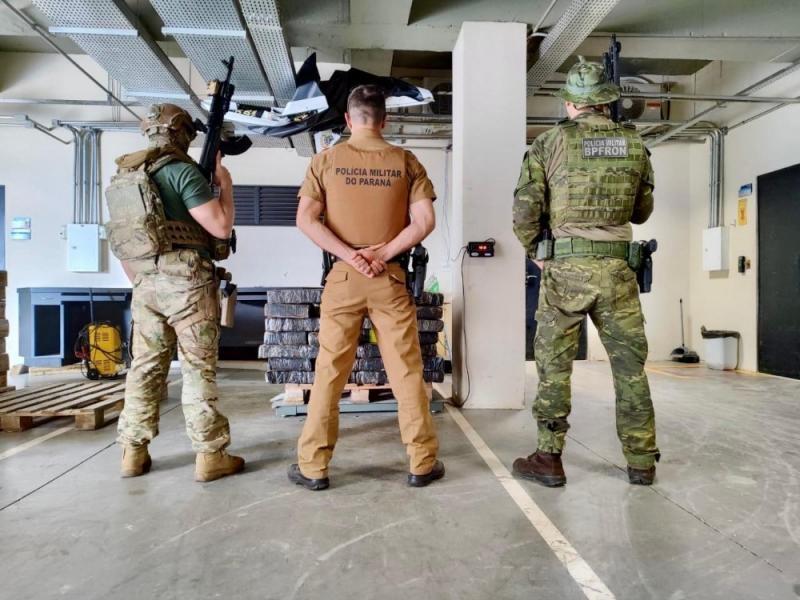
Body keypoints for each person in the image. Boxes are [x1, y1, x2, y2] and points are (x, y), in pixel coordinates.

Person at [512, 58, 660, 487]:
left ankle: (549, 458)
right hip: (618, 271)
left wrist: (536, 253)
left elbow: (525, 211)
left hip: (565, 272)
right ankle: (641, 461)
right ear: (607, 102)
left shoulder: (548, 143)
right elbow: (642, 211)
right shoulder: (635, 145)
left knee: (554, 366)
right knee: (629, 369)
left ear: (571, 103)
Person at [289, 84, 443, 491]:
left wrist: (350, 255)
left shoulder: (325, 161)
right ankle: (421, 463)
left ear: (348, 119)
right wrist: (382, 253)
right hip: (388, 277)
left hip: (342, 278)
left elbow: (306, 220)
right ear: (384, 120)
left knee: (330, 373)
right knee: (406, 370)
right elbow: (424, 222)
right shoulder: (406, 161)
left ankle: (313, 467)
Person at [109, 103, 244, 482]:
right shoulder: (181, 171)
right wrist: (226, 186)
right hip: (185, 280)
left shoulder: (126, 176)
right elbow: (219, 227)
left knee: (146, 366)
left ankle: (132, 453)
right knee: (197, 366)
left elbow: (124, 241)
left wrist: (142, 278)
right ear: (183, 134)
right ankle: (210, 454)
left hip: (144, 280)